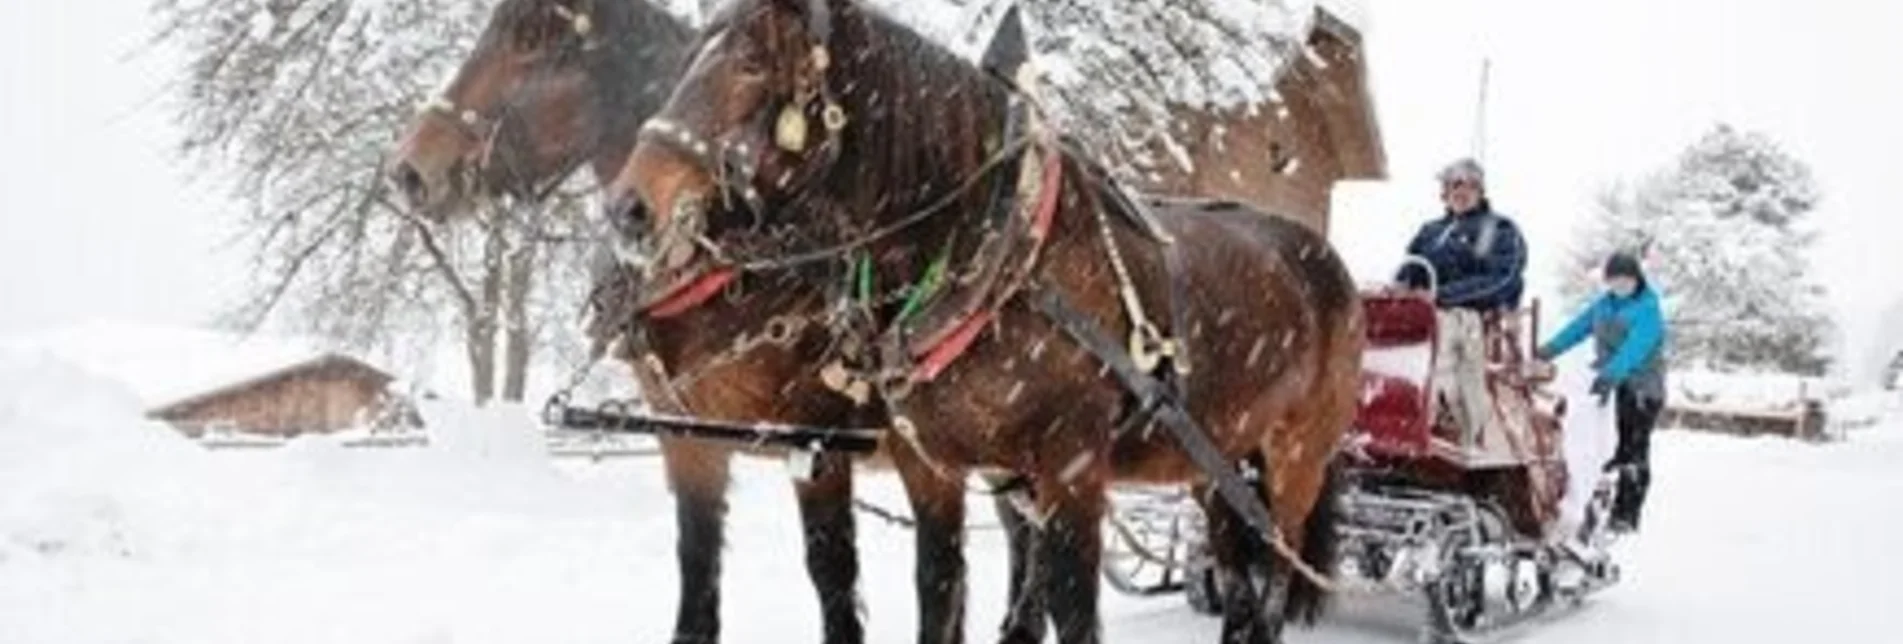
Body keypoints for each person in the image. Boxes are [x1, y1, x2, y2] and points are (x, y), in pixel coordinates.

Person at [1394, 158, 1531, 450]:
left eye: (1470, 185)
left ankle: (1446, 415)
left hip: (1472, 317)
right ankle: (1374, 399)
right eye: (1455, 184)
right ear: (1444, 192)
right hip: (1424, 311)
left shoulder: (1499, 229)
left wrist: (1443, 296)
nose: (1462, 191)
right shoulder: (1430, 231)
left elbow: (1503, 279)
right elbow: (1409, 269)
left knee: (1446, 327)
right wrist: (1400, 290)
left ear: (1480, 190)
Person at [1536, 251, 1668, 534]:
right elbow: (1577, 329)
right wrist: (1547, 351)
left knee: (1632, 449)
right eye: (1615, 281)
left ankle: (1627, 513)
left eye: (1626, 281)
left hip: (1643, 387)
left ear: (1637, 280)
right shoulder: (1603, 306)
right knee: (1609, 448)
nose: (1620, 287)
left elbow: (1636, 347)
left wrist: (1611, 374)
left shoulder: (1648, 308)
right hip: (1613, 384)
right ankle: (1598, 501)